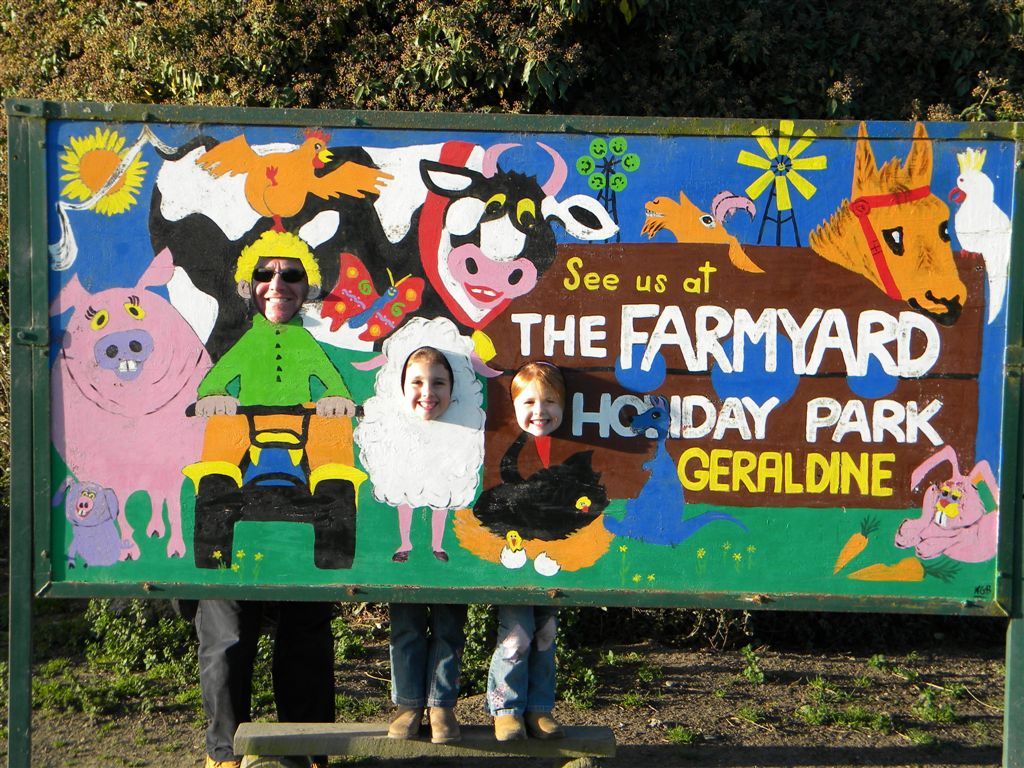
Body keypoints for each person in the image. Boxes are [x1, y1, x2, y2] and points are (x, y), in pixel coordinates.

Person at [190, 230, 356, 768]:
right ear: (248, 283)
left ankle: (305, 751)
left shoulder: (308, 343)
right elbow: (215, 381)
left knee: (306, 626)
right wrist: (214, 400)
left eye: (290, 275)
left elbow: (334, 384)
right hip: (243, 451)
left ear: (308, 286)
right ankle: (225, 751)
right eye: (266, 274)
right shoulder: (237, 339)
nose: (276, 285)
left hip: (302, 452)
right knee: (226, 629)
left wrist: (335, 401)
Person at [387, 347, 468, 744]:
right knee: (406, 624)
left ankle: (441, 704)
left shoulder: (464, 435)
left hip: (445, 509)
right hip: (403, 546)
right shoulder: (393, 433)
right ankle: (409, 704)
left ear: (453, 388)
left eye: (438, 382)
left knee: (450, 625)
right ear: (402, 386)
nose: (427, 391)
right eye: (417, 382)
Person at [488, 362, 568, 741]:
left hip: (552, 557)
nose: (540, 411)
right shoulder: (507, 448)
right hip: (515, 554)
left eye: (551, 402)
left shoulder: (566, 449)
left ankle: (538, 708)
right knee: (516, 633)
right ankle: (506, 708)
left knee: (546, 631)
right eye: (530, 401)